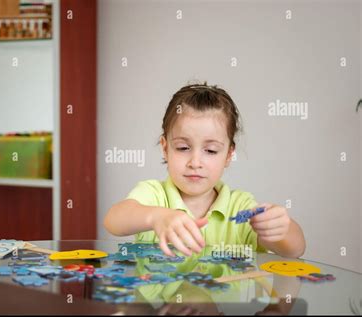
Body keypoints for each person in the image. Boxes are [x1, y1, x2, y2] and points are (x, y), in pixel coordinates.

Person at [104, 83, 305, 258]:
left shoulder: (240, 208)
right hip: (158, 304)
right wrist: (156, 217)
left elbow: (295, 250)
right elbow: (113, 220)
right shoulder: (153, 195)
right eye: (183, 148)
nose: (195, 162)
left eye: (211, 150)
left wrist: (280, 228)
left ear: (228, 155)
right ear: (165, 149)